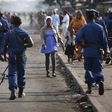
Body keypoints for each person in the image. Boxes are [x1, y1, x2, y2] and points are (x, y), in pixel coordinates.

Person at [75, 9, 109, 95]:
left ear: (87, 17)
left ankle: (89, 88)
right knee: (97, 68)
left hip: (87, 51)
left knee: (88, 69)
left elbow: (78, 38)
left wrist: (81, 44)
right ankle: (99, 80)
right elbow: (104, 41)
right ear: (94, 17)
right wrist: (106, 51)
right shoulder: (100, 27)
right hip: (97, 51)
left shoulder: (84, 28)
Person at [4, 15, 34, 100]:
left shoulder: (9, 32)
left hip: (12, 56)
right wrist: (24, 44)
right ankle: (20, 93)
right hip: (21, 55)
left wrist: (5, 55)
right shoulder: (24, 32)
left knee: (12, 73)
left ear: (12, 23)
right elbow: (31, 44)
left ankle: (13, 91)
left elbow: (5, 45)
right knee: (21, 73)